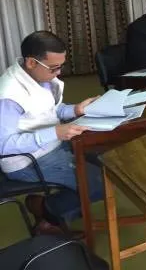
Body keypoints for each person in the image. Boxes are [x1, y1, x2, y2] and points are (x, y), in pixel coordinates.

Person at [0, 31, 103, 235]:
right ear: (31, 62)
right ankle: (45, 211)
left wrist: (76, 110)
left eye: (61, 66)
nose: (59, 73)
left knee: (102, 160)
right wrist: (54, 132)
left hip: (52, 145)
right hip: (27, 160)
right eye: (54, 68)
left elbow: (50, 110)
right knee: (100, 184)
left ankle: (60, 209)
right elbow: (4, 146)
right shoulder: (9, 95)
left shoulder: (39, 76)